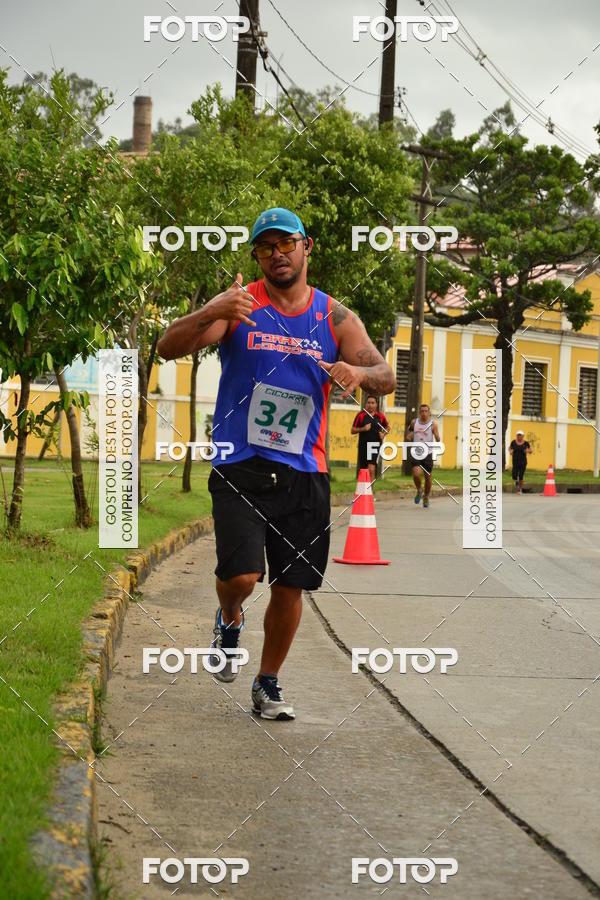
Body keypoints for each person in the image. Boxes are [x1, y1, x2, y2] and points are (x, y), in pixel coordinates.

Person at [157, 207, 396, 721]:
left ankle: (267, 683)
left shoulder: (334, 317)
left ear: (306, 246)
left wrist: (356, 370)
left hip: (304, 470)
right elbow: (167, 346)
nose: (277, 254)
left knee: (292, 586)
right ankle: (229, 616)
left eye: (285, 243)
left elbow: (385, 373)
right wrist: (210, 309)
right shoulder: (239, 307)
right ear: (256, 257)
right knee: (242, 577)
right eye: (266, 247)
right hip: (240, 461)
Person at [406, 403, 440, 509]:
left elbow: (437, 437)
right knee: (416, 474)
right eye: (422, 411)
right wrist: (409, 436)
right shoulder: (414, 422)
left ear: (429, 413)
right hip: (416, 452)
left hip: (428, 453)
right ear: (419, 412)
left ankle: (426, 496)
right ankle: (419, 490)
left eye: (426, 411)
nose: (424, 413)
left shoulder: (433, 424)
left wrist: (437, 437)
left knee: (427, 477)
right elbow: (410, 432)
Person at [351, 395, 390, 482]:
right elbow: (352, 430)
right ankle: (365, 493)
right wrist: (363, 429)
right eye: (368, 403)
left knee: (371, 469)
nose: (370, 405)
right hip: (363, 445)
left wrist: (384, 434)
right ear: (365, 404)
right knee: (364, 470)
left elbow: (387, 427)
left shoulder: (380, 416)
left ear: (376, 405)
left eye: (372, 403)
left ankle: (370, 494)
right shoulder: (361, 415)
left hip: (375, 446)